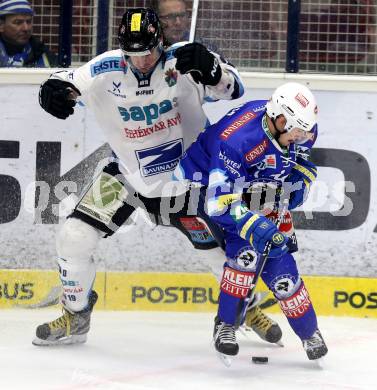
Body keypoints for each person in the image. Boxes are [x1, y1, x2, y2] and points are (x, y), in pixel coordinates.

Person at [32, 7, 280, 347]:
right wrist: (51, 92)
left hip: (190, 178)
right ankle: (76, 315)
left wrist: (212, 69)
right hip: (128, 176)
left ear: (160, 41)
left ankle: (246, 306)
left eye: (148, 52)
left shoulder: (185, 60)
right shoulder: (105, 69)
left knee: (219, 256)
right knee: (73, 237)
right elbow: (66, 80)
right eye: (133, 54)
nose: (142, 61)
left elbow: (234, 88)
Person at [173, 82, 328, 361]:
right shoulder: (236, 141)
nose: (303, 136)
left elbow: (305, 163)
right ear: (280, 120)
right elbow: (218, 204)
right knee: (244, 255)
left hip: (256, 191)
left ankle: (309, 332)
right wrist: (256, 227)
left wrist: (298, 184)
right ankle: (225, 325)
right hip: (202, 186)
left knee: (283, 272)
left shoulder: (299, 126)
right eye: (297, 131)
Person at [0, 0, 57, 67]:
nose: (26, 28)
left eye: (29, 22)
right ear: (1, 26)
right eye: (18, 22)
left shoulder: (41, 53)